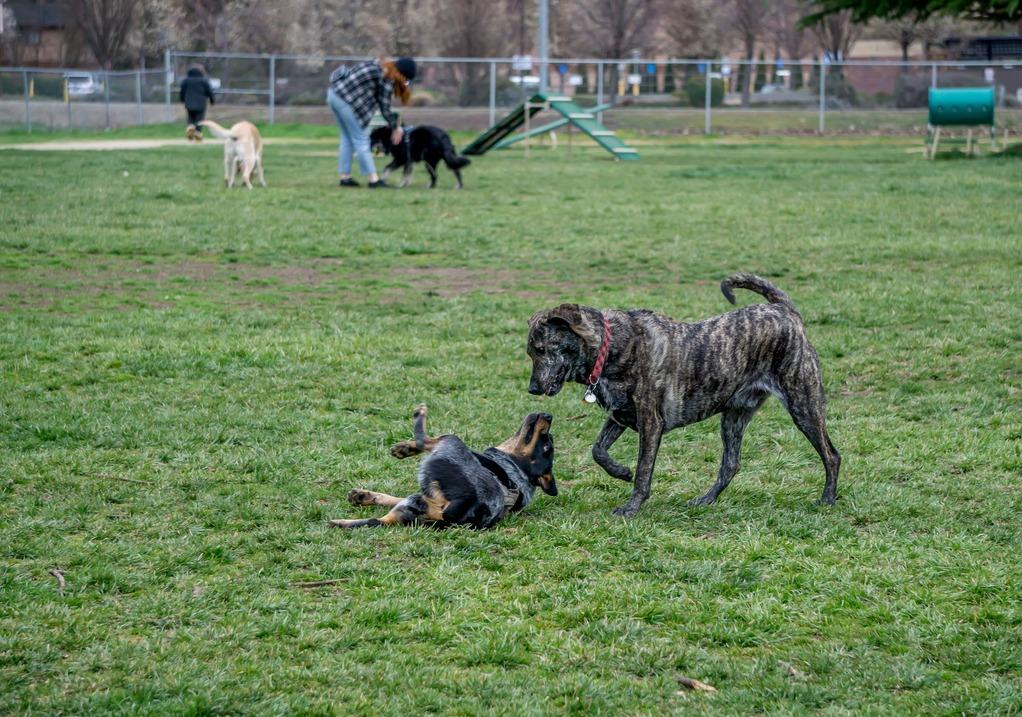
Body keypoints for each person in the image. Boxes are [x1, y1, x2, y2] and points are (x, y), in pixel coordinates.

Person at [326, 57, 416, 188]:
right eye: (405, 79)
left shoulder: (379, 63)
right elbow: (384, 107)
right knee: (361, 139)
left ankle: (345, 178)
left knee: (347, 139)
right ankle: (373, 180)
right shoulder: (388, 77)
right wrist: (396, 127)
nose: (404, 83)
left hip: (334, 95)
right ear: (401, 74)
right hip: (346, 100)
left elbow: (345, 72)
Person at [179, 65, 216, 142]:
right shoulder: (203, 80)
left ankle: (190, 127)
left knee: (190, 117)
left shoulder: (186, 80)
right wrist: (212, 100)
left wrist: (182, 99)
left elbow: (182, 91)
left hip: (189, 102)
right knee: (199, 119)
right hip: (200, 103)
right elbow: (209, 91)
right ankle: (198, 133)